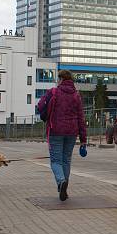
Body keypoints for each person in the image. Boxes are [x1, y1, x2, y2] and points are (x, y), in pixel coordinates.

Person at [37, 69, 86, 201]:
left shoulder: (53, 92)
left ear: (61, 79)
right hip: (72, 132)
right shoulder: (76, 95)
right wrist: (83, 139)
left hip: (55, 131)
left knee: (55, 161)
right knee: (66, 160)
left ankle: (61, 181)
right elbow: (81, 118)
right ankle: (63, 187)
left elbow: (40, 105)